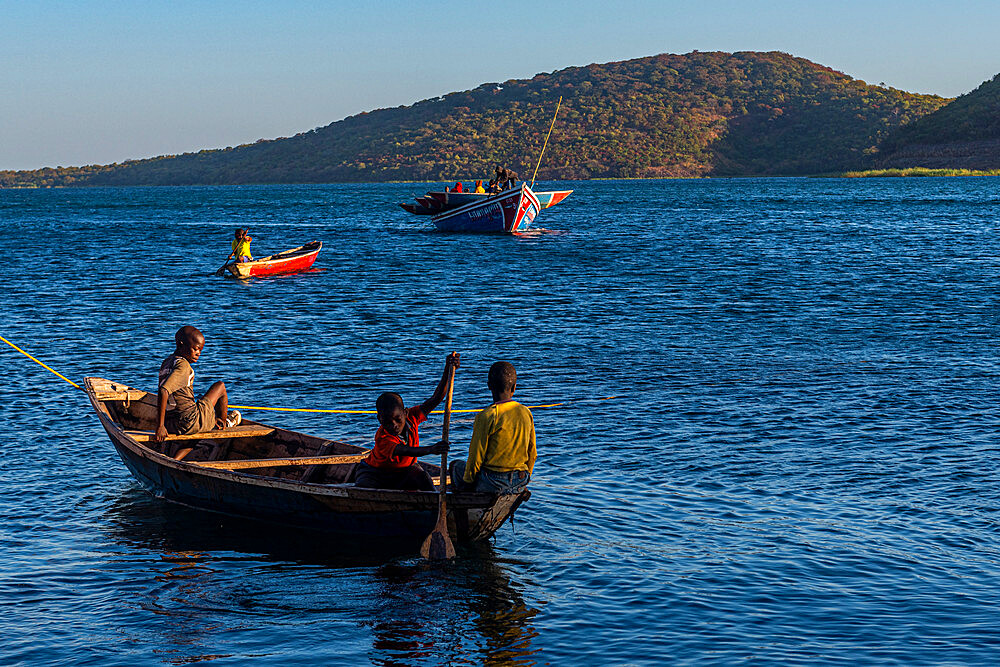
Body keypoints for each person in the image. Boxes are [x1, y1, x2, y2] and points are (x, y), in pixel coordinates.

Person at [355, 353, 461, 491]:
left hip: (402, 472)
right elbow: (406, 450)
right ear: (379, 419)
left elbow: (436, 398)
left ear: (405, 413)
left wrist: (448, 369)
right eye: (387, 422)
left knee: (422, 476)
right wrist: (431, 449)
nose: (393, 425)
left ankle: (435, 504)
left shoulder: (412, 416)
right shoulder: (383, 438)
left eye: (398, 419)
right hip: (376, 473)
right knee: (364, 488)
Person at [155, 325, 241, 460]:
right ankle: (223, 423)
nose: (198, 353)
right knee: (220, 386)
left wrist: (163, 423)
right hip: (187, 421)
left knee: (198, 423)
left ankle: (175, 460)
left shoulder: (167, 362)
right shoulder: (183, 366)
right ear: (180, 344)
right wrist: (160, 427)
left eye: (200, 350)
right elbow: (163, 390)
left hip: (172, 423)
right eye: (195, 349)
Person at [451, 361, 535, 494]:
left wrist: (467, 483)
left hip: (494, 481)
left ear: (489, 385)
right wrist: (525, 478)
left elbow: (475, 458)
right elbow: (532, 453)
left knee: (455, 466)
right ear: (514, 388)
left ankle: (463, 508)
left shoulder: (486, 416)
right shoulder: (526, 412)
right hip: (520, 479)